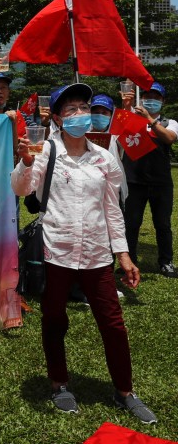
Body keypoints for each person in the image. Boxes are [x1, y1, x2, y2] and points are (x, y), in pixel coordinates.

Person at [11, 83, 157, 424]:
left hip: (95, 254)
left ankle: (125, 392)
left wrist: (123, 255)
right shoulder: (45, 151)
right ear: (59, 118)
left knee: (113, 323)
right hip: (57, 250)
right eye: (71, 109)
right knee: (54, 319)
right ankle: (59, 383)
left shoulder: (104, 157)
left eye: (83, 107)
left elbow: (112, 210)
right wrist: (25, 162)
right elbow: (21, 189)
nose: (79, 114)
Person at [120, 81, 178, 278]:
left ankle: (166, 262)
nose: (151, 100)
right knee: (131, 223)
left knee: (162, 223)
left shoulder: (170, 123)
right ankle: (129, 261)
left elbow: (169, 138)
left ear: (163, 101)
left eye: (156, 98)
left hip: (161, 183)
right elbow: (119, 126)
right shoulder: (133, 120)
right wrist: (127, 107)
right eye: (147, 97)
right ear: (141, 99)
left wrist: (150, 120)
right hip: (133, 182)